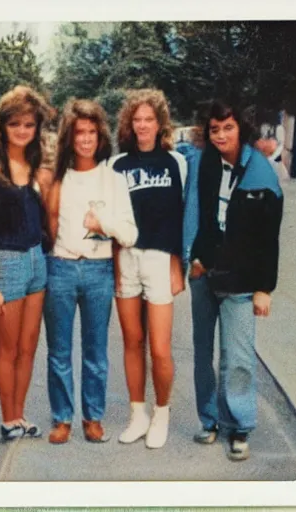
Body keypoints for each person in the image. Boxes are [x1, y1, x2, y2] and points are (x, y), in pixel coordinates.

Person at [180, 98, 284, 461]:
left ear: (241, 128)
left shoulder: (261, 173)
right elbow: (195, 213)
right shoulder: (203, 164)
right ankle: (209, 421)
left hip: (241, 278)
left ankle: (238, 427)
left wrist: (264, 288)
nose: (221, 135)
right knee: (202, 352)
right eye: (214, 129)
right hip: (204, 273)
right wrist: (192, 257)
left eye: (228, 127)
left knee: (237, 357)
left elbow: (268, 237)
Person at [44, 99, 138, 444]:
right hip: (60, 269)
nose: (85, 139)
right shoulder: (58, 178)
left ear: (101, 137)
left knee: (96, 351)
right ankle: (62, 418)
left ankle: (92, 417)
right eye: (79, 132)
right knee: (59, 350)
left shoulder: (112, 178)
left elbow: (130, 233)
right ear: (69, 137)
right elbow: (47, 225)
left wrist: (104, 223)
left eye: (92, 133)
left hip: (99, 270)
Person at [0, 85, 53, 441]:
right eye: (15, 123)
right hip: (6, 262)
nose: (22, 130)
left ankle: (20, 416)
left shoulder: (37, 166)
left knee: (29, 344)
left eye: (29, 125)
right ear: (2, 126)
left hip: (38, 260)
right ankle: (8, 420)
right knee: (8, 347)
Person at [111, 89, 187, 449]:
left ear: (159, 124)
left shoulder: (176, 162)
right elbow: (112, 220)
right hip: (127, 257)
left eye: (148, 119)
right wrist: (114, 266)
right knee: (132, 340)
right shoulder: (118, 165)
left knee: (159, 347)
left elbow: (182, 217)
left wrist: (178, 264)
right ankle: (137, 414)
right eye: (136, 119)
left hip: (159, 259)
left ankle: (161, 413)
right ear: (130, 123)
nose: (142, 125)